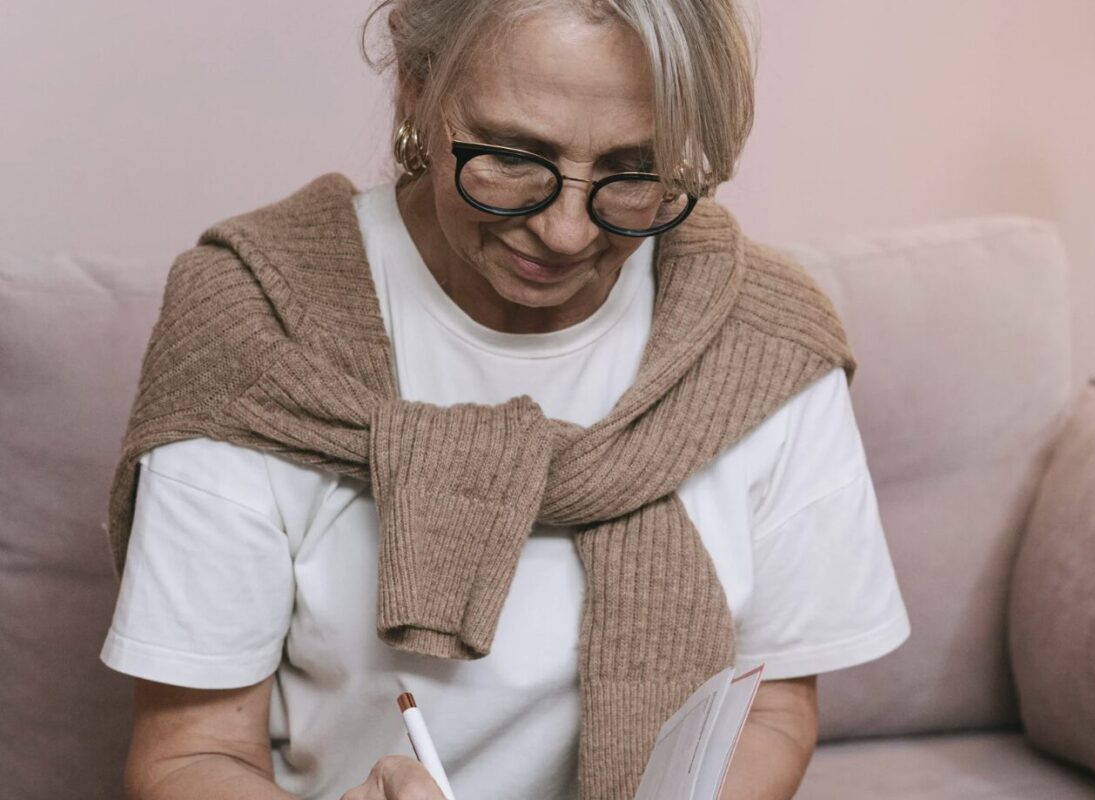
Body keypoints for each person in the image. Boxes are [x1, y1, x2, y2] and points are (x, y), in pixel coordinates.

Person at [100, 2, 910, 798]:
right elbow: (189, 756)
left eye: (634, 171)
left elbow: (770, 707)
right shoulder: (255, 328)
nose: (565, 233)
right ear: (416, 84)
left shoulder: (765, 342)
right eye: (516, 157)